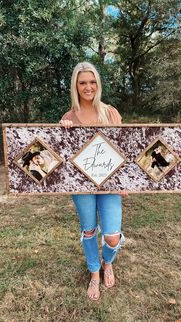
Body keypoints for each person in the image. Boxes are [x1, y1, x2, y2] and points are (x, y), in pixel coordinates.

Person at [60, 62, 127, 301]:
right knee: (88, 230)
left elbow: (123, 150)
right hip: (81, 186)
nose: (88, 87)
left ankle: (107, 262)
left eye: (92, 82)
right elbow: (64, 157)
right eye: (82, 83)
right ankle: (94, 273)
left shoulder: (110, 112)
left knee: (111, 235)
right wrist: (63, 132)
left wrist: (123, 182)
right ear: (75, 86)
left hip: (109, 183)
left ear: (98, 84)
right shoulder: (69, 117)